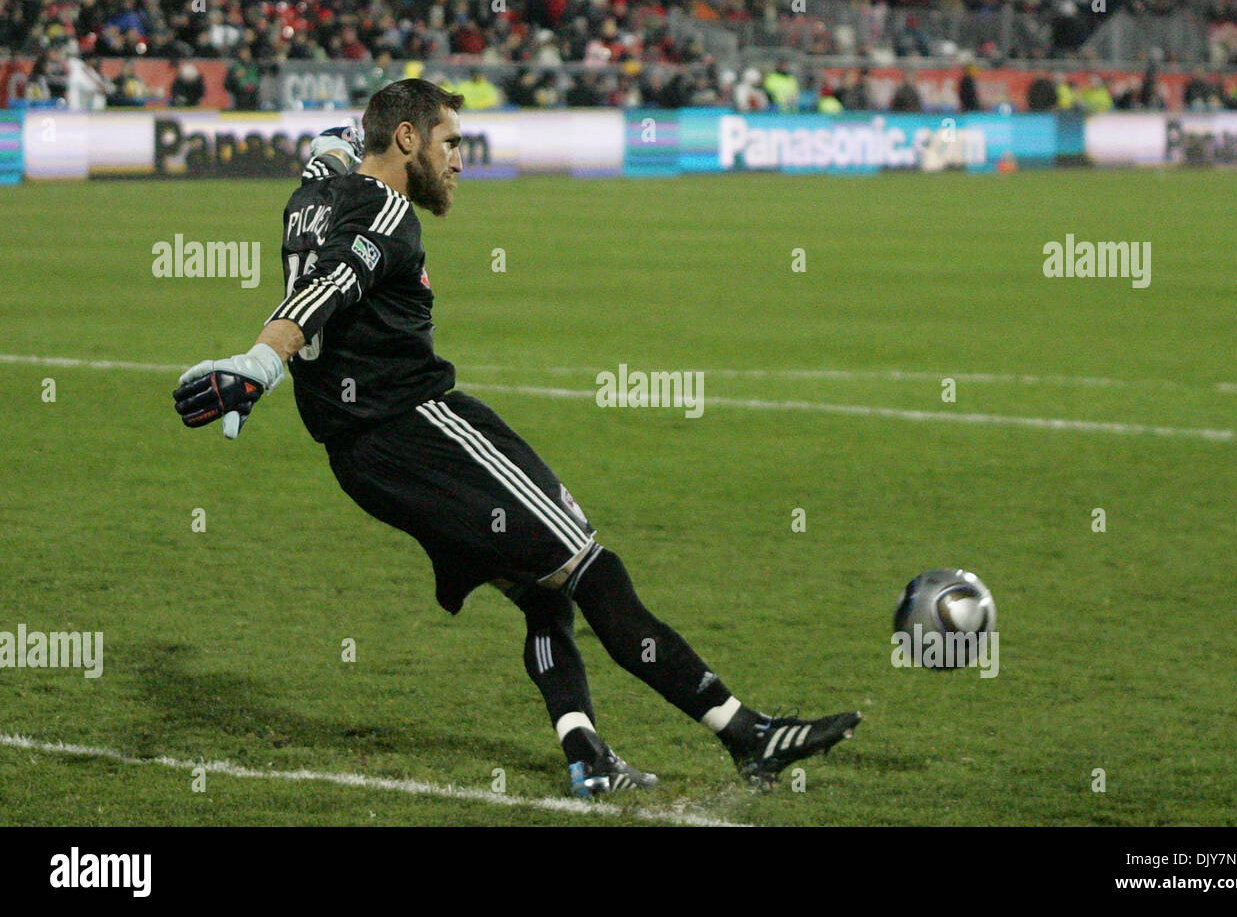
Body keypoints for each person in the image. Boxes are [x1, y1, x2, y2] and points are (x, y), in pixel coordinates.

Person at [171, 80, 860, 797]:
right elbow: (336, 282)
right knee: (591, 565)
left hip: (360, 460)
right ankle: (749, 734)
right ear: (407, 140)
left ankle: (588, 757)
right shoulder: (384, 209)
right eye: (451, 142)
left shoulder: (315, 194)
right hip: (420, 429)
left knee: (543, 593)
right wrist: (260, 360)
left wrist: (337, 143)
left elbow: (325, 165)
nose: (461, 160)